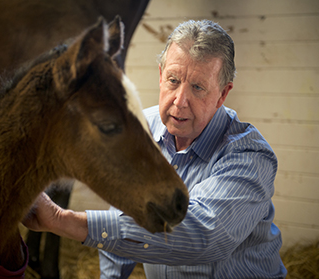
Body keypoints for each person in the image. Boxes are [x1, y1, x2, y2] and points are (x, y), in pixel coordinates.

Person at [23, 19, 287, 278]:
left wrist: (62, 220)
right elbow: (123, 215)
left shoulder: (250, 156)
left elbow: (201, 235)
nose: (180, 101)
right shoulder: (140, 129)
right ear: (160, 76)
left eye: (197, 87)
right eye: (173, 80)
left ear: (222, 94)